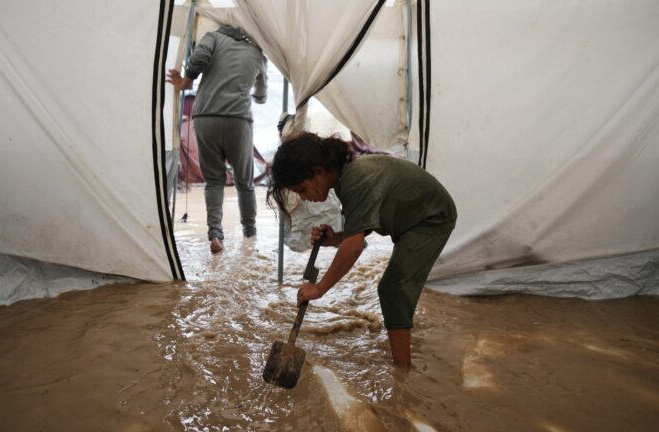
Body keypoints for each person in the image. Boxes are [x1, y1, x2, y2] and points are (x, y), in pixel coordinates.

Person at [267, 132, 457, 368]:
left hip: (431, 218)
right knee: (395, 288)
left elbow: (354, 246)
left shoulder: (356, 180)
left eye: (302, 189)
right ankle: (401, 354)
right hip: (414, 217)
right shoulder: (347, 177)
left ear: (318, 171)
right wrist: (335, 237)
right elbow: (363, 224)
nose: (304, 198)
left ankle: (402, 372)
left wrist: (319, 288)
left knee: (393, 288)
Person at [167, 25, 268, 254]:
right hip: (238, 120)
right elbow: (261, 95)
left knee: (214, 181)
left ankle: (215, 234)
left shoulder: (213, 37)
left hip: (206, 118)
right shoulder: (258, 54)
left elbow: (199, 56)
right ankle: (250, 236)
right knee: (245, 183)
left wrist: (187, 82)